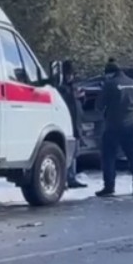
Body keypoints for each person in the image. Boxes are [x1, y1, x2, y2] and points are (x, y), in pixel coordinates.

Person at [96, 59, 133, 197]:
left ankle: (109, 187)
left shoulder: (109, 84)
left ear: (109, 73)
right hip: (132, 125)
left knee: (109, 156)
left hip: (113, 125)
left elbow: (99, 105)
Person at [57, 61, 87, 189]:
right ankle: (64, 179)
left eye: (71, 74)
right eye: (67, 74)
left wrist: (81, 97)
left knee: (74, 154)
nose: (70, 77)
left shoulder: (74, 87)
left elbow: (79, 104)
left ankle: (71, 177)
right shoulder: (62, 88)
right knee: (67, 153)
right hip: (67, 124)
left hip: (76, 124)